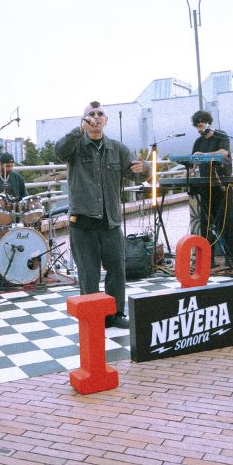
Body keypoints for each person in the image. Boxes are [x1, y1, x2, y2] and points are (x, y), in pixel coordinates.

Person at [54, 101, 149, 329]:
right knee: (89, 272)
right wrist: (79, 130)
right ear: (85, 119)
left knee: (117, 269)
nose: (96, 117)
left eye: (100, 114)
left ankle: (115, 313)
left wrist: (144, 168)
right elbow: (59, 152)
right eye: (91, 114)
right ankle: (92, 314)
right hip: (83, 221)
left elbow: (136, 175)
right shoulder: (75, 146)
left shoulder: (117, 148)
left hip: (111, 221)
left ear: (106, 120)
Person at [190, 110, 233, 268]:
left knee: (225, 221)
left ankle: (230, 259)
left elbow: (223, 153)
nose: (200, 130)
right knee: (206, 223)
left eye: (202, 126)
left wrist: (204, 154)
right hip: (206, 185)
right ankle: (209, 259)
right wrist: (185, 171)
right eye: (197, 127)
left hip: (222, 183)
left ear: (208, 123)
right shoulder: (198, 141)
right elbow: (193, 161)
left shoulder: (221, 136)